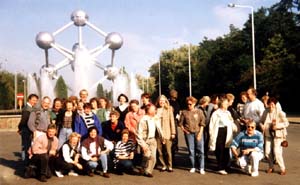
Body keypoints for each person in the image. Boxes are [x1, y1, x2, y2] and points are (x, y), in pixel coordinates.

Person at [260, 97, 289, 175]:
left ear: (275, 105)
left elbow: (286, 123)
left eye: (273, 104)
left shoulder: (280, 112)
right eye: (270, 104)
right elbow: (261, 121)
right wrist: (262, 125)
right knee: (267, 152)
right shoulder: (265, 112)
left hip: (278, 135)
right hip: (268, 134)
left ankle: (283, 169)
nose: (271, 106)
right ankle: (271, 167)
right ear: (268, 104)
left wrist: (278, 126)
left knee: (277, 152)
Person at [209, 98, 237, 175]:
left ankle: (225, 166)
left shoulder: (228, 113)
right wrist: (211, 134)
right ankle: (220, 167)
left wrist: (234, 127)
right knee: (219, 150)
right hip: (219, 132)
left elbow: (231, 121)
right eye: (226, 103)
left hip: (227, 132)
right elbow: (212, 125)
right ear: (221, 104)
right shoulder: (216, 113)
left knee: (226, 149)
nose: (227, 104)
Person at [178, 96, 206, 174]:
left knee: (200, 150)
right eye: (187, 104)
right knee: (191, 150)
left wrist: (200, 133)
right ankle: (193, 166)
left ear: (194, 103)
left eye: (190, 104)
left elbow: (202, 123)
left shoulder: (199, 111)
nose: (188, 105)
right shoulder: (184, 112)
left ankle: (201, 167)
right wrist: (184, 130)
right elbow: (180, 123)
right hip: (189, 133)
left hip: (198, 132)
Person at [136, 104, 163, 177]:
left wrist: (162, 137)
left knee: (153, 157)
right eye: (153, 109)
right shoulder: (142, 120)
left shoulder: (155, 118)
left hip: (153, 140)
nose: (155, 110)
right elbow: (138, 133)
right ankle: (143, 167)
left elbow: (159, 128)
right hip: (145, 140)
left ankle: (148, 171)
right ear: (148, 110)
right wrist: (143, 145)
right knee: (147, 155)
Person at [156, 95, 176, 172]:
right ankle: (163, 165)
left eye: (163, 100)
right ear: (158, 101)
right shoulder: (156, 110)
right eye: (160, 100)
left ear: (165, 101)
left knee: (168, 151)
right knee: (159, 150)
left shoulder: (169, 109)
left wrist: (173, 132)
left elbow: (172, 121)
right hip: (158, 134)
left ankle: (170, 166)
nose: (161, 102)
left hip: (167, 132)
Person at [18, 94, 39, 165]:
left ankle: (26, 162)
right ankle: (25, 163)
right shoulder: (27, 109)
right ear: (29, 100)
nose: (35, 102)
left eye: (36, 100)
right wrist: (20, 128)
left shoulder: (29, 108)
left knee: (27, 145)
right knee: (26, 146)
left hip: (27, 129)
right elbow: (23, 121)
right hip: (26, 130)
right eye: (33, 100)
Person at [168, 90, 181, 159]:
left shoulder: (173, 102)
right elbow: (177, 114)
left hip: (172, 121)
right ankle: (171, 156)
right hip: (171, 122)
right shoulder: (172, 103)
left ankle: (172, 156)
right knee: (173, 139)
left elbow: (177, 113)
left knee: (172, 139)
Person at [197, 96, 210, 160]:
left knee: (205, 142)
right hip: (201, 128)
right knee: (202, 142)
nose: (208, 104)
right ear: (204, 102)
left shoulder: (204, 109)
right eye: (207, 102)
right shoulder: (199, 109)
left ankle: (204, 156)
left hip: (205, 128)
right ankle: (201, 156)